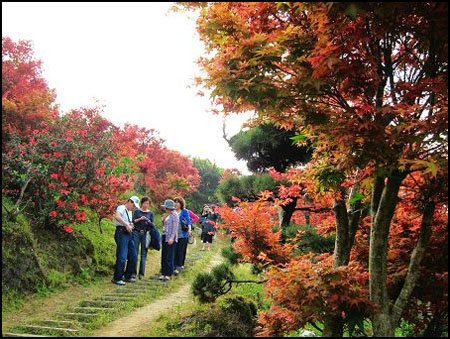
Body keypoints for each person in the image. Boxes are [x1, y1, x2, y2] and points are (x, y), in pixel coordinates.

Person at [112, 196, 140, 285]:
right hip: (121, 233)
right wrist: (126, 225)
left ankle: (127, 275)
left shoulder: (130, 211)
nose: (134, 207)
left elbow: (129, 222)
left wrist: (130, 225)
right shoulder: (121, 207)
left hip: (129, 234)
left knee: (133, 255)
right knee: (122, 256)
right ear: (129, 201)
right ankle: (117, 278)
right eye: (133, 205)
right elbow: (117, 216)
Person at [132, 196, 154, 280]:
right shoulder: (137, 211)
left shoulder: (150, 213)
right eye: (145, 203)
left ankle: (141, 273)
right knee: (135, 253)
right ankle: (133, 273)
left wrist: (148, 221)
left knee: (144, 254)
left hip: (145, 233)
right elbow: (133, 221)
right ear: (142, 203)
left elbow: (152, 225)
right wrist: (140, 219)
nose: (146, 205)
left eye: (148, 203)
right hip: (136, 232)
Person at [160, 199, 178, 281]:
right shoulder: (167, 214)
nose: (165, 209)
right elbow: (165, 226)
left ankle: (168, 274)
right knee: (164, 255)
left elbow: (175, 228)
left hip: (171, 238)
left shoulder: (174, 215)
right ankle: (163, 273)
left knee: (169, 256)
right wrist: (163, 221)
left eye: (166, 208)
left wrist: (172, 238)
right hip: (164, 236)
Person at [173, 197, 192, 274]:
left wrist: (189, 229)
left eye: (178, 202)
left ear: (181, 204)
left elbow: (188, 221)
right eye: (175, 202)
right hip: (174, 234)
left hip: (183, 234)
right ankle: (174, 265)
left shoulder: (185, 211)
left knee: (181, 250)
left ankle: (179, 265)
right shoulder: (172, 211)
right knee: (174, 250)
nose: (176, 204)